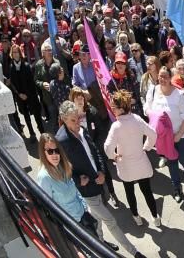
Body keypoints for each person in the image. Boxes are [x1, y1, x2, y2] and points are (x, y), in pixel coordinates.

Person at [37, 133, 147, 257]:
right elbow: (46, 209)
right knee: (104, 230)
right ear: (43, 152)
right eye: (50, 151)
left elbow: (76, 191)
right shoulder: (44, 178)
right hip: (71, 226)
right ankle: (134, 252)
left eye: (56, 150)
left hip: (83, 218)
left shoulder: (63, 167)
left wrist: (84, 209)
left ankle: (103, 244)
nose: (55, 154)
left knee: (96, 247)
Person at [55, 101, 141, 256]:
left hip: (99, 184)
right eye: (73, 120)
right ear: (63, 118)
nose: (77, 123)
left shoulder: (82, 130)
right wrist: (77, 180)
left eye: (78, 119)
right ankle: (134, 252)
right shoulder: (61, 141)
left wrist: (102, 172)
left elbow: (96, 152)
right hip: (86, 191)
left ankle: (99, 246)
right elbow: (59, 169)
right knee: (111, 221)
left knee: (97, 221)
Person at [103, 90, 161, 228]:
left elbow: (107, 147)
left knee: (130, 193)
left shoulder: (116, 126)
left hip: (126, 166)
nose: (111, 109)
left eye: (113, 107)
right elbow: (153, 134)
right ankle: (155, 217)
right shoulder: (137, 119)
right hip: (141, 163)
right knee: (147, 191)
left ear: (121, 109)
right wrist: (146, 148)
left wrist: (114, 157)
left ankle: (136, 217)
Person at [143, 66, 184, 203]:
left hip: (182, 135)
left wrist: (179, 135)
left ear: (170, 78)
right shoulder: (153, 90)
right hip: (165, 137)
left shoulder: (179, 95)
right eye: (161, 76)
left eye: (166, 77)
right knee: (172, 163)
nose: (162, 79)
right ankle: (177, 189)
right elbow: (147, 109)